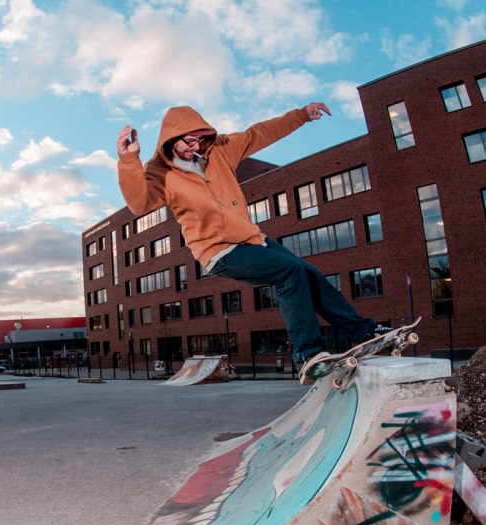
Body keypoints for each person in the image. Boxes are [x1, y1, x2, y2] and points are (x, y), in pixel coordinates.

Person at [116, 104, 391, 381]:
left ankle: (364, 332)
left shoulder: (218, 150)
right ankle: (308, 356)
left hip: (252, 239)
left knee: (309, 273)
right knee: (290, 272)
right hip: (219, 250)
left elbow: (257, 134)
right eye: (189, 142)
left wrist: (301, 116)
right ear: (170, 138)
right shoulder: (159, 173)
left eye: (199, 140)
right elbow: (139, 203)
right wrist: (129, 161)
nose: (195, 147)